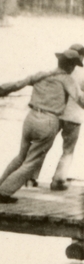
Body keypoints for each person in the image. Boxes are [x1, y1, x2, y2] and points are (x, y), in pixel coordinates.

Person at [0, 48, 83, 203]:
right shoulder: (67, 80)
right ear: (71, 66)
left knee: (21, 156)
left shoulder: (42, 74)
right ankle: (3, 192)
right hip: (48, 121)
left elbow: (18, 84)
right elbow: (80, 99)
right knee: (32, 162)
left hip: (30, 118)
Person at [45, 42, 84, 191]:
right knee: (68, 150)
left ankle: (30, 178)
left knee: (43, 146)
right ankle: (58, 181)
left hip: (56, 113)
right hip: (74, 117)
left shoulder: (59, 71)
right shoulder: (82, 72)